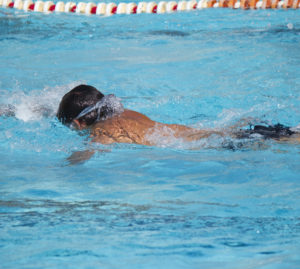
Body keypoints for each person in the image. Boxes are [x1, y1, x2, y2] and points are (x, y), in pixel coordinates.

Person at [57, 84, 300, 147]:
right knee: (281, 135)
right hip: (209, 135)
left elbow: (87, 154)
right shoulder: (125, 113)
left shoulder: (103, 130)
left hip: (212, 146)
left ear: (79, 123)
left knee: (278, 140)